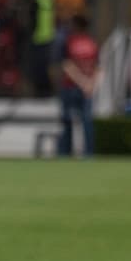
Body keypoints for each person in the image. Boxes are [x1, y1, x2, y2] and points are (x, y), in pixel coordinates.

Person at [56, 14, 99, 157]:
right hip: (77, 87)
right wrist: (88, 84)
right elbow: (68, 65)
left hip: (76, 87)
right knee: (70, 120)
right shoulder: (90, 42)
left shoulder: (72, 42)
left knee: (84, 121)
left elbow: (97, 67)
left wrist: (89, 84)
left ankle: (84, 153)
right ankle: (68, 153)